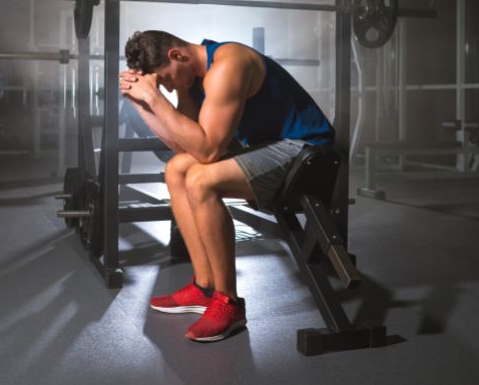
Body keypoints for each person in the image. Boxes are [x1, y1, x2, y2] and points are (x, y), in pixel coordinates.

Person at [119, 30, 334, 342]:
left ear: (176, 56)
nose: (166, 87)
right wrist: (141, 105)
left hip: (305, 149)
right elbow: (185, 148)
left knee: (200, 180)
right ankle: (203, 287)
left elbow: (207, 152)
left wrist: (155, 97)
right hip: (268, 147)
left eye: (165, 79)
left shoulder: (228, 65)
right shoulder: (192, 81)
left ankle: (228, 302)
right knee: (178, 169)